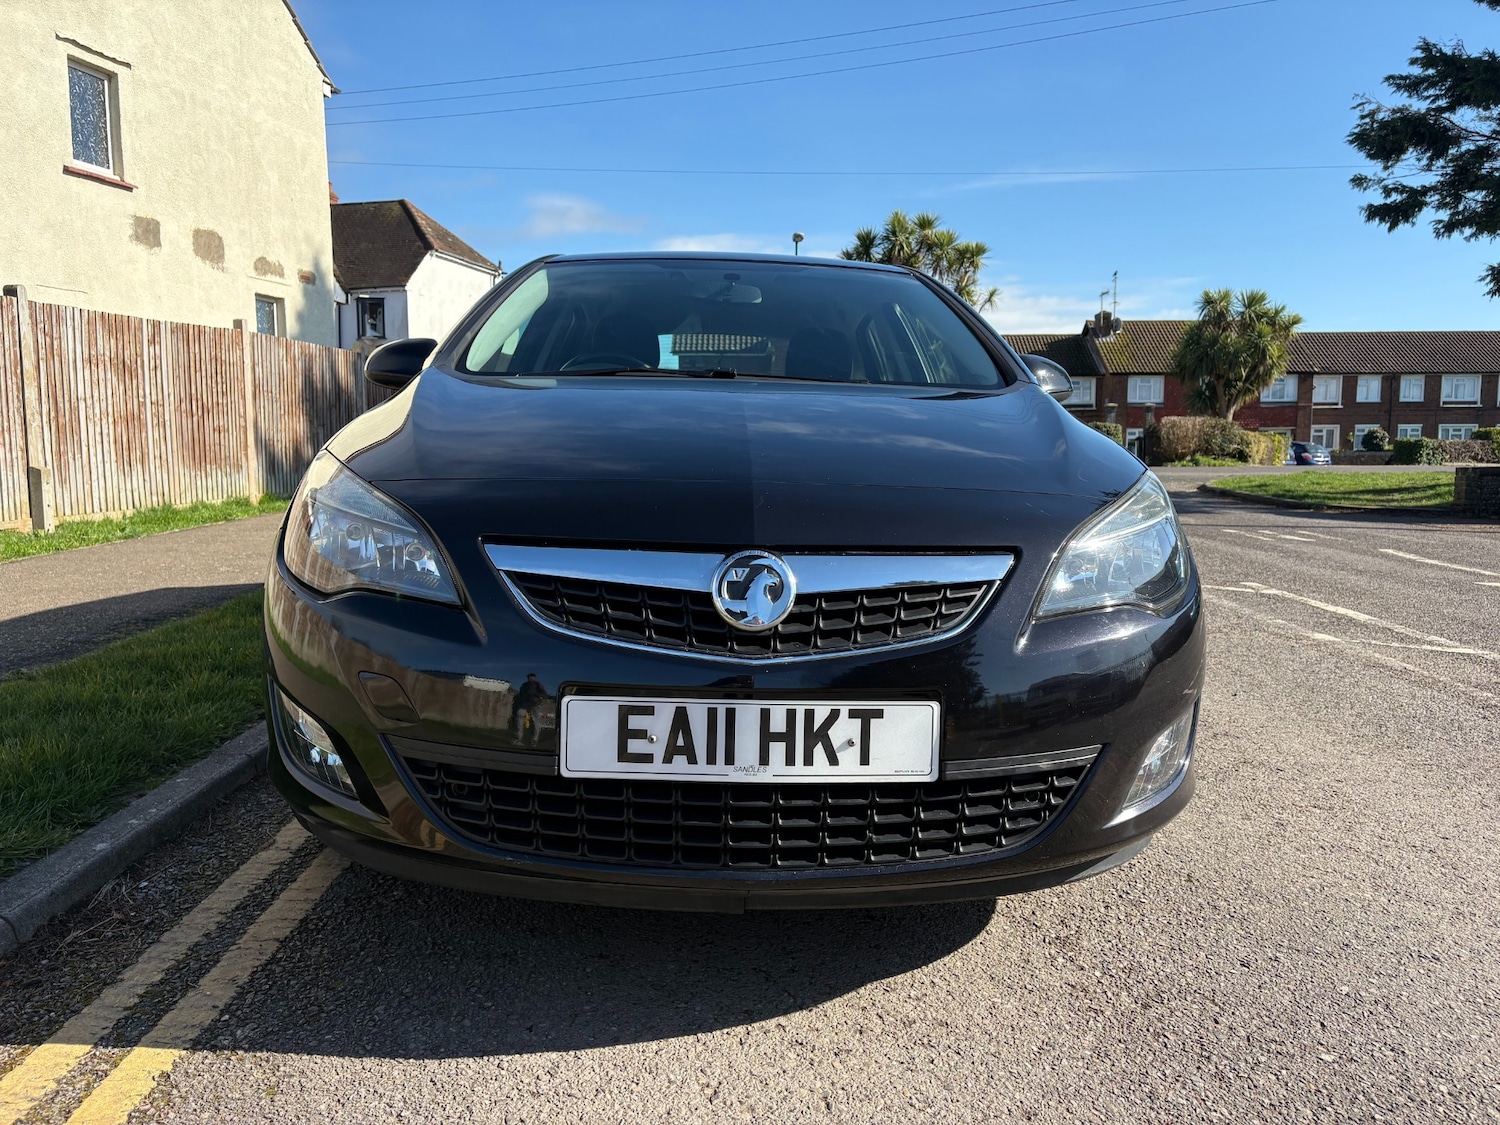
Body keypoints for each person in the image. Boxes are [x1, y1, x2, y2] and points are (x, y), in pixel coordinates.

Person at [511, 673, 549, 745]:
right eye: (530, 677)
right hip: (524, 704)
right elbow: (520, 694)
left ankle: (534, 740)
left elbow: (544, 694)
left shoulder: (538, 684)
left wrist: (537, 696)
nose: (531, 678)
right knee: (519, 720)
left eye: (532, 677)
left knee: (536, 722)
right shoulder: (524, 685)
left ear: (534, 678)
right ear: (528, 678)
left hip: (534, 704)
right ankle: (519, 738)